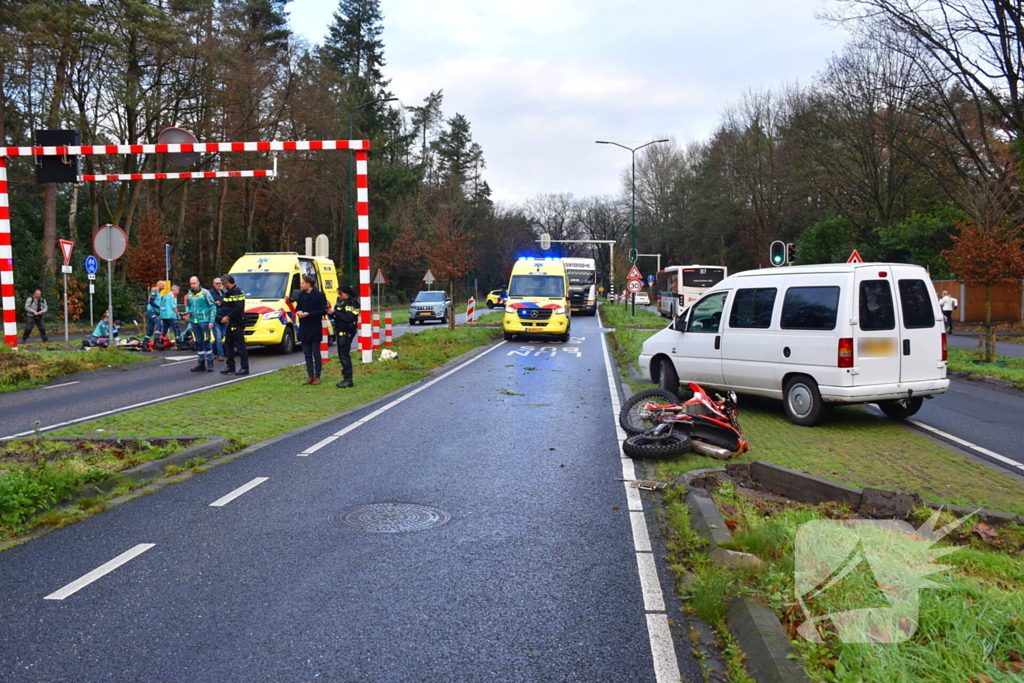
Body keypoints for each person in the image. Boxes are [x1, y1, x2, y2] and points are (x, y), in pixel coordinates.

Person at [295, 275, 327, 385]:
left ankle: (317, 376)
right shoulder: (301, 295)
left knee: (316, 353)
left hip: (314, 327)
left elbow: (323, 311)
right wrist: (299, 311)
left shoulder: (318, 295)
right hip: (304, 326)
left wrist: (309, 314)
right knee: (306, 353)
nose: (301, 285)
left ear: (308, 284)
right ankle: (310, 376)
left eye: (303, 283)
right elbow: (298, 306)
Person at [183, 276, 217, 372]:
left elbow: (213, 307)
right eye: (191, 283)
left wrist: (211, 321)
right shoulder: (189, 294)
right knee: (198, 342)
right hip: (194, 321)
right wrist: (187, 313)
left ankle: (210, 362)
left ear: (198, 283)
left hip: (204, 321)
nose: (193, 285)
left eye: (194, 283)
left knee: (206, 341)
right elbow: (188, 306)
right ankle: (201, 363)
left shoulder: (205, 293)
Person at [219, 274, 249, 376]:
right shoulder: (228, 292)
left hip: (237, 321)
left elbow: (238, 307)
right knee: (228, 344)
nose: (223, 285)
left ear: (228, 282)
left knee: (240, 346)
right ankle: (230, 367)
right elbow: (228, 305)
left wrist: (227, 316)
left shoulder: (237, 292)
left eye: (224, 283)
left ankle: (244, 368)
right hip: (231, 322)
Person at [330, 284, 360, 388]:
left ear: (347, 294)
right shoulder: (340, 302)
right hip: (339, 329)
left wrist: (335, 313)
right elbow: (337, 315)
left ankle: (348, 379)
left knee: (344, 355)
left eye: (340, 293)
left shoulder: (353, 304)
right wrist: (330, 312)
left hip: (347, 331)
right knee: (341, 354)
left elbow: (348, 318)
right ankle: (346, 377)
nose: (339, 295)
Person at [141, 280, 164, 351]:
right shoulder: (154, 291)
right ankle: (156, 341)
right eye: (162, 285)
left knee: (150, 330)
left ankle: (144, 345)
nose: (163, 287)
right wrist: (159, 307)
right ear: (158, 285)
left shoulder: (159, 293)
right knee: (159, 325)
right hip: (151, 312)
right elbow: (151, 302)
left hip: (155, 312)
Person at [210, 277, 226, 360]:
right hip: (215, 318)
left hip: (223, 318)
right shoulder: (210, 293)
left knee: (221, 336)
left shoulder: (224, 293)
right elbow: (208, 304)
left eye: (220, 283)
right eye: (217, 283)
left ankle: (211, 350)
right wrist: (214, 303)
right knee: (218, 336)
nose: (218, 285)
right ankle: (220, 354)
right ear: (213, 284)